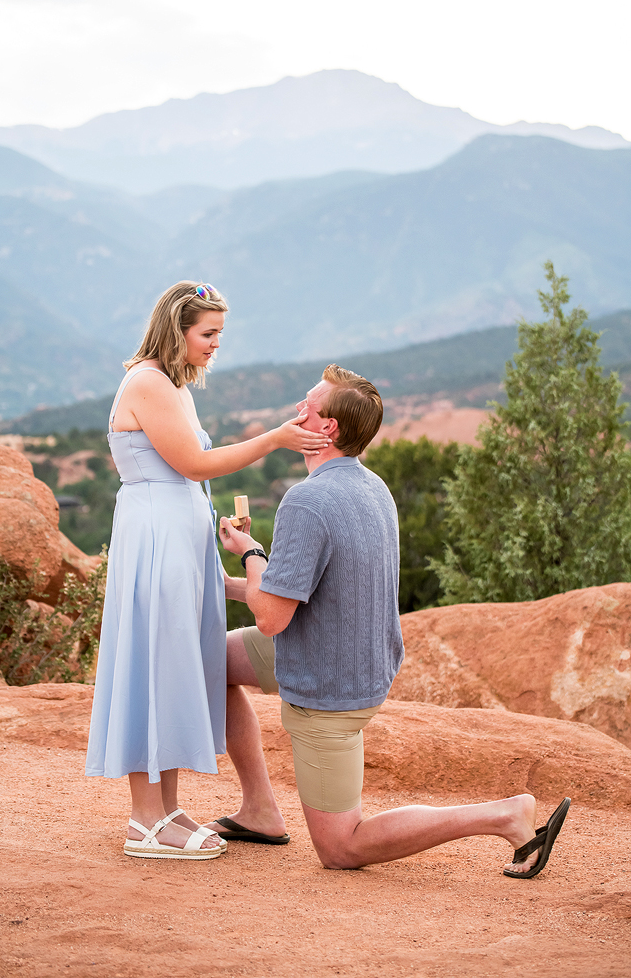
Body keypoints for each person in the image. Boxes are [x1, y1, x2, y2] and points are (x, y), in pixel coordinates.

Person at [211, 364, 570, 878]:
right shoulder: (373, 488)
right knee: (214, 660)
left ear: (327, 428)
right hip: (347, 653)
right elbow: (297, 595)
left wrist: (250, 550)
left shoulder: (307, 501)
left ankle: (506, 816)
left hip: (329, 684)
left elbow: (270, 616)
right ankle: (260, 810)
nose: (298, 410)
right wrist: (213, 585)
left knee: (341, 848)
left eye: (307, 405)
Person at [85, 281, 331, 861]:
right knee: (155, 662)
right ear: (178, 330)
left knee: (174, 664)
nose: (217, 344)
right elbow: (193, 462)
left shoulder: (171, 384)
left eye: (220, 332)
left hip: (176, 539)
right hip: (155, 543)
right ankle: (144, 819)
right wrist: (273, 439)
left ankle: (165, 809)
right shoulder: (147, 381)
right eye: (208, 333)